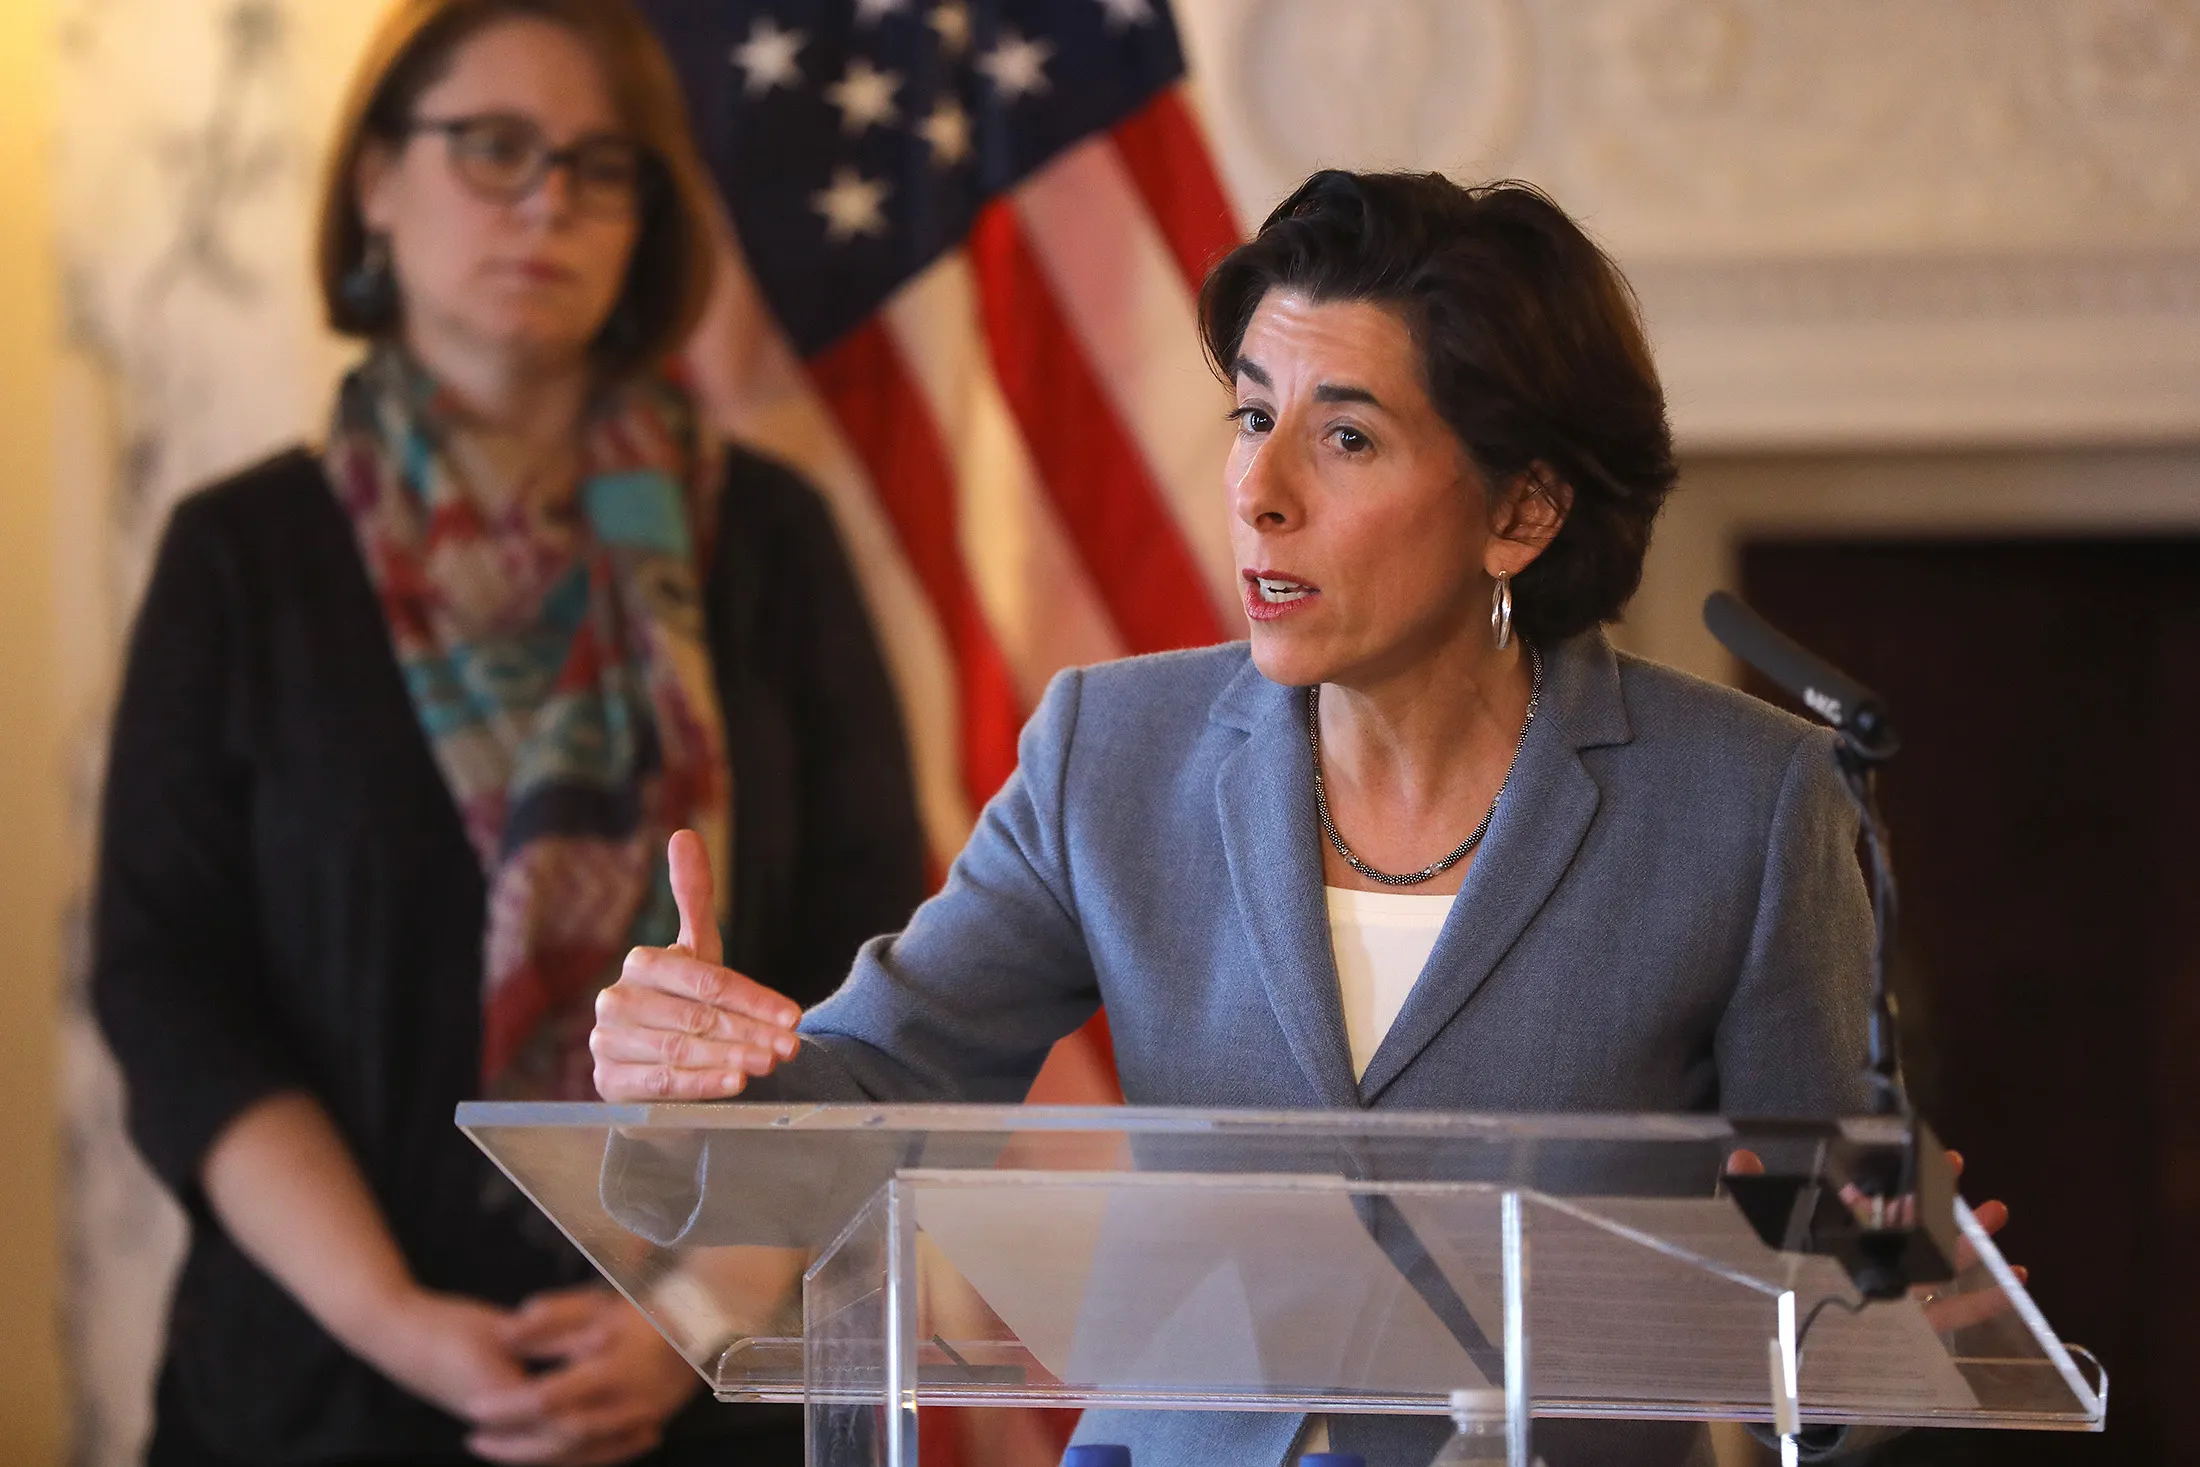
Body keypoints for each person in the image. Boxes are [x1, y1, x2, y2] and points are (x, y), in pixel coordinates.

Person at [589, 171, 2011, 1466]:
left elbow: (1825, 1277)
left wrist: (1875, 1333)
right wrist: (696, 1072)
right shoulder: (1112, 751)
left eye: (1345, 437)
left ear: (1520, 511)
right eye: (1254, 415)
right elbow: (860, 1097)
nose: (1259, 494)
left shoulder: (1748, 802)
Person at [91, 2, 925, 1464]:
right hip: (323, 1386)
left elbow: (886, 965)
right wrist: (396, 1315)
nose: (550, 202)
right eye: (494, 149)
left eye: (601, 168)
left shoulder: (770, 542)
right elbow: (172, 985)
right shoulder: (243, 554)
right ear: (375, 180)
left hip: (708, 1389)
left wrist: (698, 1314)